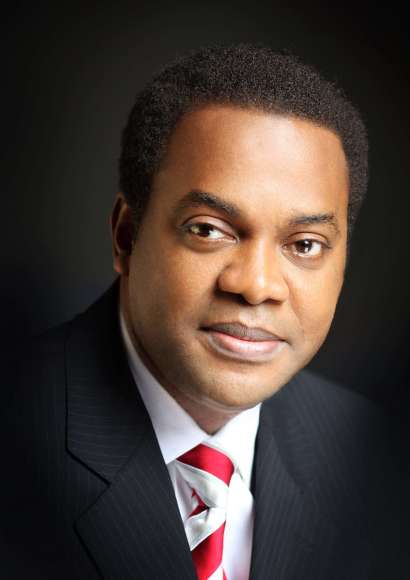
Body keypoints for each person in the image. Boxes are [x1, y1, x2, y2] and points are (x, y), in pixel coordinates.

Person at [2, 44, 407, 579]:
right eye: (209, 230)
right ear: (126, 236)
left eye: (305, 244)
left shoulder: (379, 461)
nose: (256, 286)